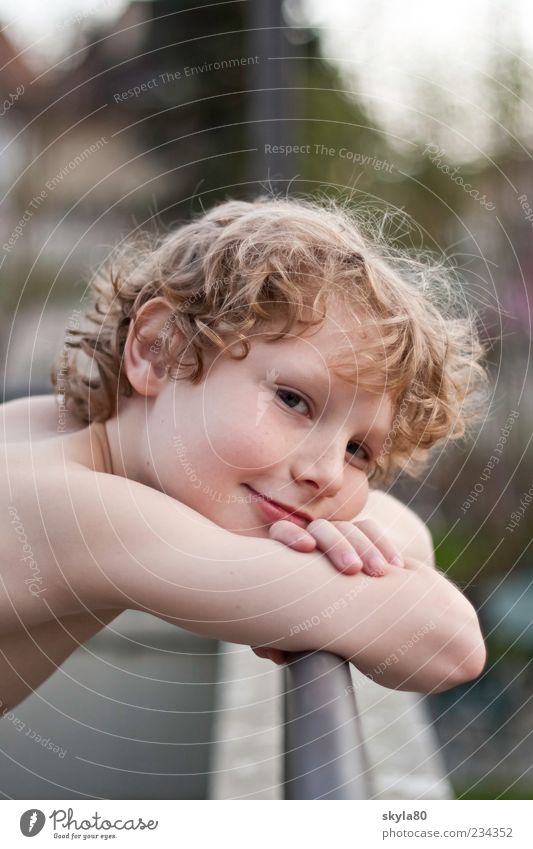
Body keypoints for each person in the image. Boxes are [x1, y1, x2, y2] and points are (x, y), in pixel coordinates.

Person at [1, 195, 489, 712]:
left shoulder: (45, 428)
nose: (325, 473)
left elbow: (405, 528)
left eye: (358, 451)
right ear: (159, 349)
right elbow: (449, 646)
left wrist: (336, 552)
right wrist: (323, 571)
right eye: (293, 400)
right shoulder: (72, 511)